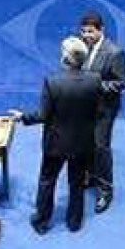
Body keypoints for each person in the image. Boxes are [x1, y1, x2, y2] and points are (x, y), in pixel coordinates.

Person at [21, 36, 103, 234]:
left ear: (66, 58)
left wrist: (23, 117)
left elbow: (42, 115)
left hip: (55, 143)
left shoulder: (52, 82)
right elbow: (98, 111)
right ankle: (74, 222)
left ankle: (41, 222)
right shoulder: (95, 80)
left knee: (47, 180)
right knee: (76, 183)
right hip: (82, 142)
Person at [76, 12, 125, 213]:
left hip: (105, 108)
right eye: (83, 31)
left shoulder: (115, 53)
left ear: (101, 30)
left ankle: (106, 190)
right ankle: (90, 176)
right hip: (85, 106)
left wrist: (96, 86)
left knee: (101, 147)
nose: (86, 35)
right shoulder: (82, 49)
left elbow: (123, 82)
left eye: (90, 31)